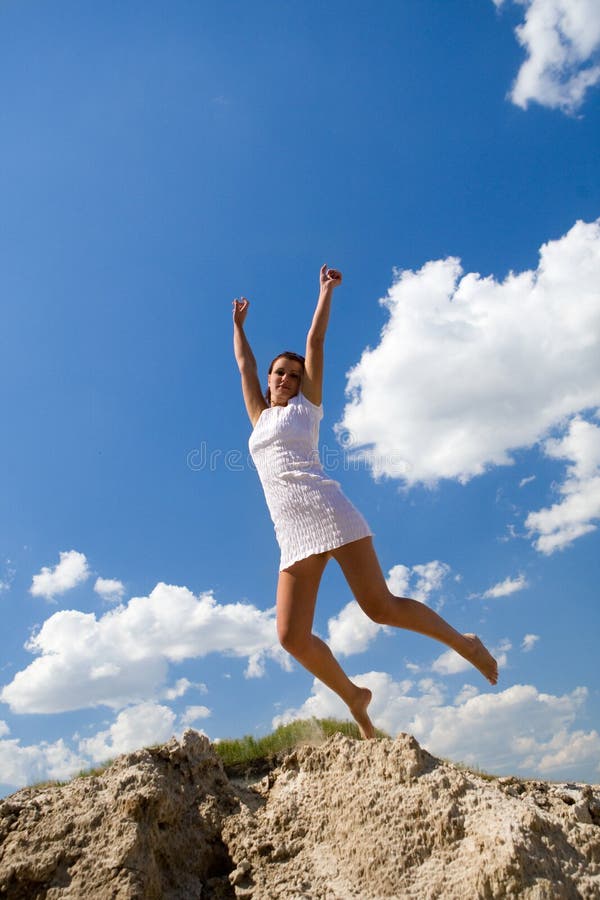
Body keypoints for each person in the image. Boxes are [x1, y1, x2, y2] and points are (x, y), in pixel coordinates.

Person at [232, 264, 498, 739]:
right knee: (290, 636)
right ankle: (354, 696)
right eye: (280, 373)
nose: (287, 379)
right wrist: (238, 328)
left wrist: (324, 292)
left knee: (380, 607)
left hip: (330, 512)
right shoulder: (258, 417)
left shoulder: (306, 410)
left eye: (294, 375)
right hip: (292, 533)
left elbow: (315, 344)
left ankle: (464, 643)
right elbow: (245, 367)